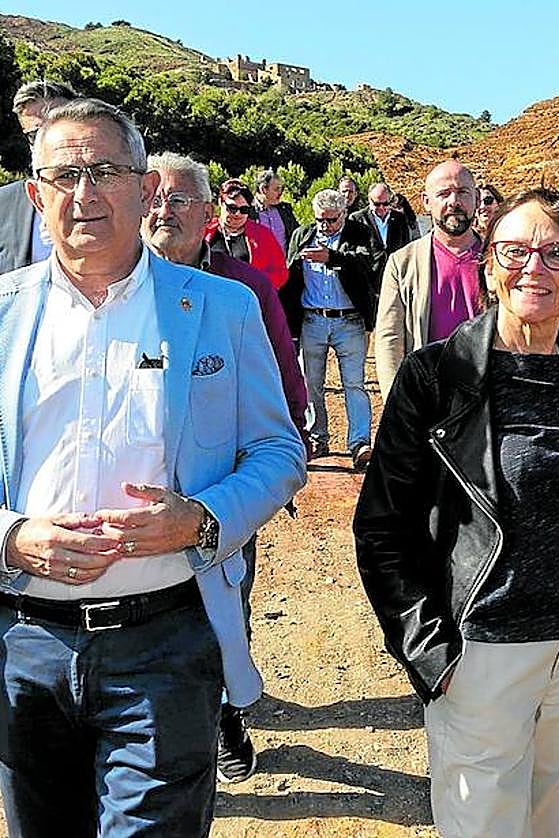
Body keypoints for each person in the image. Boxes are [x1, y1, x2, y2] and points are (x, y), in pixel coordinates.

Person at [0, 98, 305, 835]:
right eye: (64, 174)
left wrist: (201, 519)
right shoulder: (1, 312)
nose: (86, 193)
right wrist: (9, 536)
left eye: (105, 170)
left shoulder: (223, 308)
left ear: (144, 188)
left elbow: (277, 451)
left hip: (165, 641)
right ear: (36, 195)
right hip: (22, 646)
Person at [355, 187, 559, 838]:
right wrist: (429, 651)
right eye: (516, 250)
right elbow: (383, 526)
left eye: (557, 253)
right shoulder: (435, 379)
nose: (534, 268)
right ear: (489, 265)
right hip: (483, 655)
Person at [142, 150, 310, 783]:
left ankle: (225, 712)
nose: (164, 208)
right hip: (140, 493)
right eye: (153, 194)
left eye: (180, 198)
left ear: (209, 215)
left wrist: (285, 448)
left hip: (226, 483)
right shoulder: (109, 291)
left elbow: (283, 374)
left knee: (227, 599)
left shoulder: (244, 288)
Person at [281, 189, 377, 469]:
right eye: (320, 220)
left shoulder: (359, 233)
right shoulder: (304, 235)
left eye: (331, 220)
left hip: (349, 320)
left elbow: (369, 266)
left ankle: (359, 442)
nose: (325, 226)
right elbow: (289, 275)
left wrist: (332, 258)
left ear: (343, 213)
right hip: (312, 319)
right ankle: (317, 437)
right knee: (311, 384)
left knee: (354, 384)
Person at [374, 159, 482, 398]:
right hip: (428, 397)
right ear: (426, 202)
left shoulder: (499, 259)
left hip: (486, 396)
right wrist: (397, 403)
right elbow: (389, 339)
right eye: (444, 194)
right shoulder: (402, 263)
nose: (454, 201)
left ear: (476, 197)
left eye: (463, 192)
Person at [0, 80, 76, 273]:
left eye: (56, 127)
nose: (47, 140)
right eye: (36, 134)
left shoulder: (112, 195)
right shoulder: (4, 203)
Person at [204, 178, 288, 289]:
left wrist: (256, 284)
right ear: (221, 202)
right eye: (232, 208)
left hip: (248, 298)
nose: (237, 214)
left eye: (244, 210)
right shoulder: (203, 231)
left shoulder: (262, 235)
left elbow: (280, 272)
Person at [253, 168, 299, 253]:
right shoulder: (248, 212)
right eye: (276, 189)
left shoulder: (285, 210)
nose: (280, 193)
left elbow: (297, 235)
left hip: (284, 265)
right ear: (263, 189)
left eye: (281, 189)